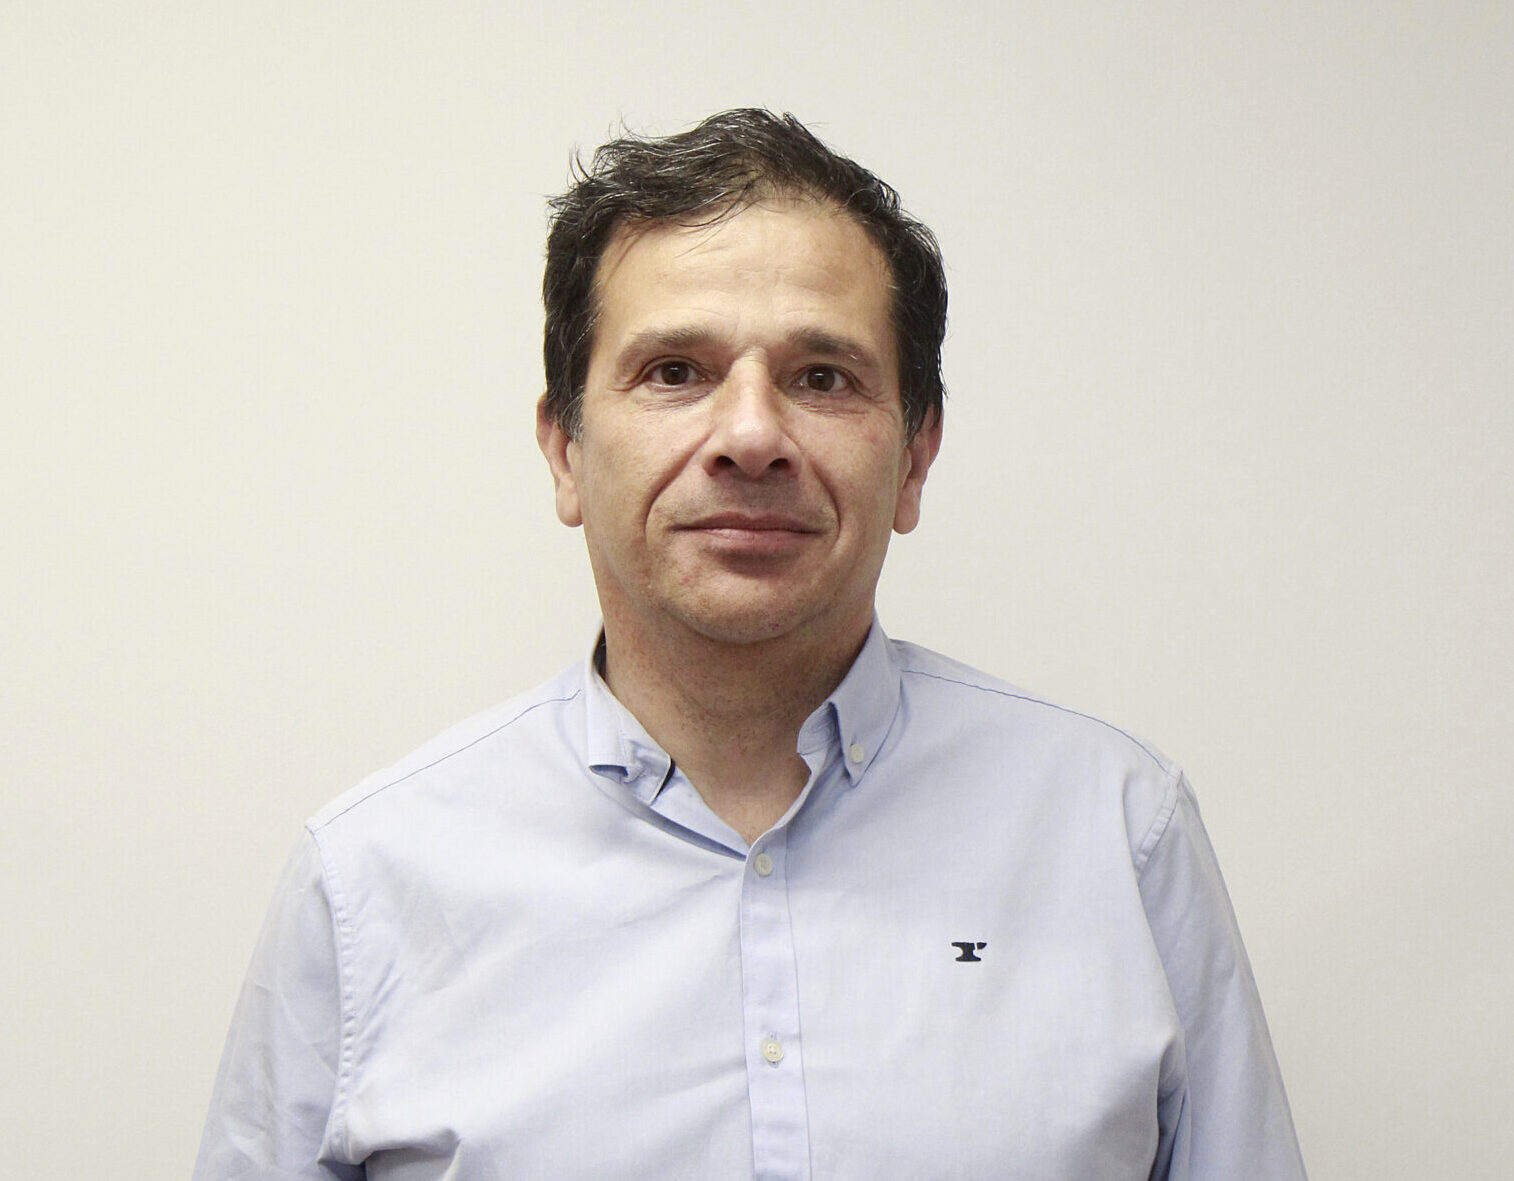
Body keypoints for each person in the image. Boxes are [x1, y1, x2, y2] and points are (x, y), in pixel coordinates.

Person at [195, 109, 1307, 1180]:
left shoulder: (1118, 831)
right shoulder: (368, 882)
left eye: (822, 377)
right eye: (674, 371)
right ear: (565, 450)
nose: (750, 435)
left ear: (914, 457)